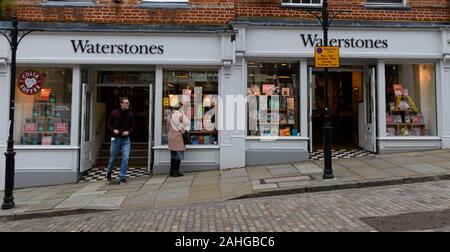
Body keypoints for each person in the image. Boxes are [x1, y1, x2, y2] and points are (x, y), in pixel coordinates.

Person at [106, 97, 135, 184]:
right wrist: (113, 130)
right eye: (126, 103)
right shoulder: (114, 113)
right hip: (115, 139)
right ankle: (109, 172)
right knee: (113, 158)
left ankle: (122, 176)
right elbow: (108, 124)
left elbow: (133, 127)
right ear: (121, 104)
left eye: (128, 103)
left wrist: (128, 131)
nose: (128, 104)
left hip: (126, 139)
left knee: (125, 158)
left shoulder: (130, 114)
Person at [167, 102, 188, 177]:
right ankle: (176, 172)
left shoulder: (170, 115)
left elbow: (168, 127)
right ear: (180, 108)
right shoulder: (180, 115)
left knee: (173, 155)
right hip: (178, 137)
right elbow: (186, 124)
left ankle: (172, 171)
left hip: (170, 137)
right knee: (179, 155)